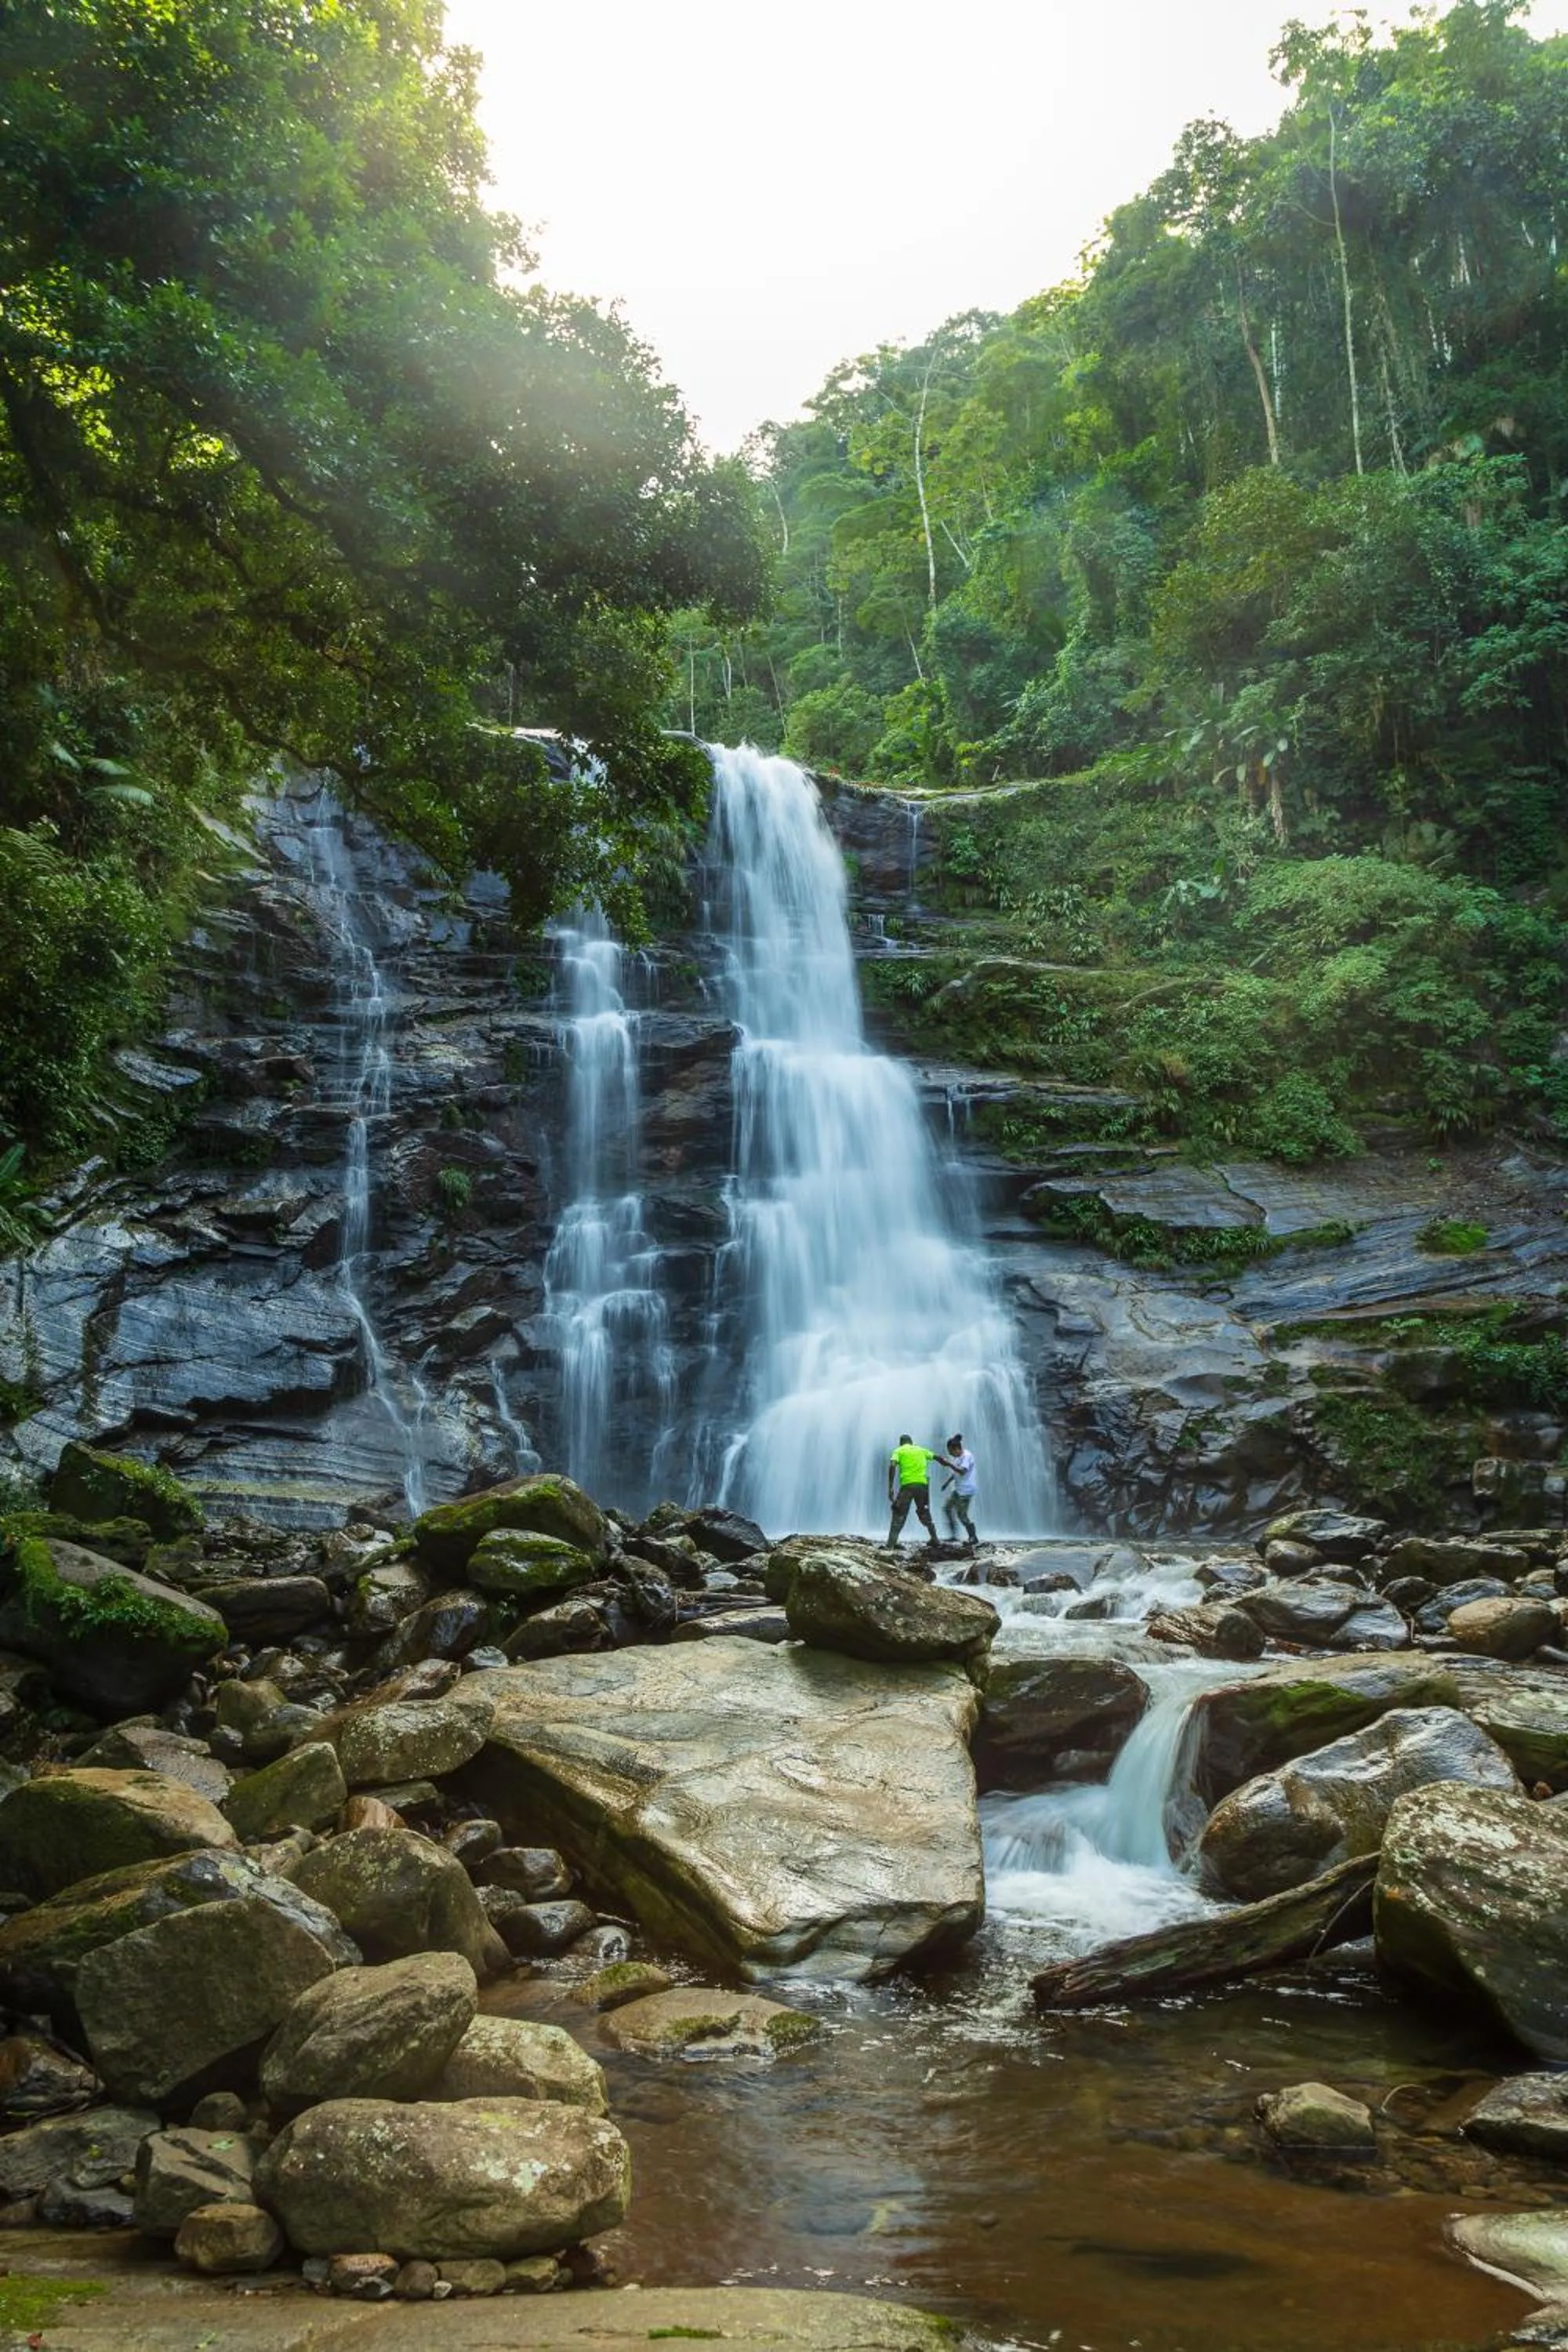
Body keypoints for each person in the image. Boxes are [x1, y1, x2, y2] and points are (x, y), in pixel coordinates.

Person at [886, 1432, 945, 1549]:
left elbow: (892, 1466)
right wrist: (950, 1465)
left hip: (907, 1485)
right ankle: (935, 1539)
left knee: (899, 1513)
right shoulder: (921, 1450)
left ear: (901, 1443)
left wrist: (891, 1487)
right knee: (924, 1511)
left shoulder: (899, 1450)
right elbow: (938, 1458)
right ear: (911, 1442)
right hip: (922, 1485)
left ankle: (891, 1544)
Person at [940, 1431, 978, 1552]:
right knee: (947, 1508)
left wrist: (948, 1463)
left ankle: (973, 1537)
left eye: (951, 1451)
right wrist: (947, 1483)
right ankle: (953, 1535)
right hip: (958, 1490)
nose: (950, 1454)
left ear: (956, 1448)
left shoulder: (967, 1456)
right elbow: (955, 1473)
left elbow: (962, 1471)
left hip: (966, 1491)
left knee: (962, 1515)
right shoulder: (957, 1458)